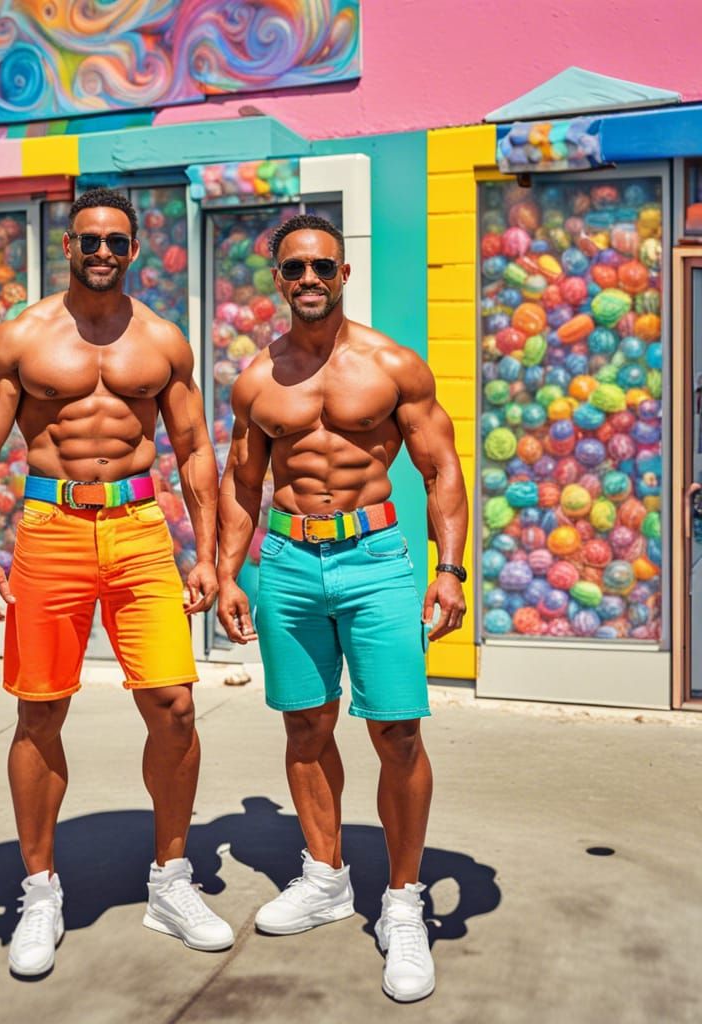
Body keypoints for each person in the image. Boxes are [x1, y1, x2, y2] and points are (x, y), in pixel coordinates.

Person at [0, 188, 233, 977]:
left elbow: (195, 450)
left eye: (116, 241)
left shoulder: (162, 341)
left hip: (142, 532)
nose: (102, 252)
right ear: (68, 247)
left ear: (136, 248)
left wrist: (206, 553)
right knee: (40, 710)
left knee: (175, 706)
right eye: (88, 241)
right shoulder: (24, 337)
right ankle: (40, 890)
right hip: (51, 530)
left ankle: (171, 881)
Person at [216, 214, 468, 1003]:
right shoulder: (258, 377)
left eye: (322, 265)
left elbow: (441, 470)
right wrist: (228, 574)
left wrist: (450, 569)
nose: (309, 279)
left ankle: (401, 903)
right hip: (287, 562)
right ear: (279, 278)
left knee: (396, 730)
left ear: (345, 271)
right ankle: (325, 876)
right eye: (294, 268)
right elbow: (241, 481)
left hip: (376, 560)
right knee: (305, 724)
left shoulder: (393, 365)